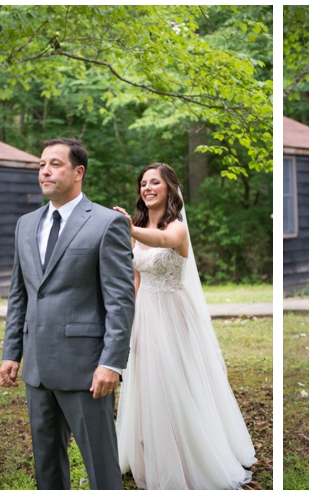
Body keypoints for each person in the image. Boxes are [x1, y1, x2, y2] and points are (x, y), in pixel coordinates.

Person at [0, 138, 135, 490]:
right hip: (37, 371)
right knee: (46, 465)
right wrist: (12, 352)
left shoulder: (107, 224)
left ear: (79, 172)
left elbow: (120, 300)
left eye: (55, 164)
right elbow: (20, 294)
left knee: (101, 464)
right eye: (42, 164)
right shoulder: (25, 225)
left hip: (86, 369)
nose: (45, 170)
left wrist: (112, 363)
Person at [111, 163, 258, 489]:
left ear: (169, 189)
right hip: (145, 313)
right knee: (146, 380)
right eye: (143, 183)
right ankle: (150, 452)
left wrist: (129, 230)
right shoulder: (137, 226)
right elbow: (136, 276)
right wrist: (128, 320)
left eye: (155, 183)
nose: (147, 188)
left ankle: (187, 454)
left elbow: (163, 240)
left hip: (173, 314)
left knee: (175, 382)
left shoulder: (176, 228)